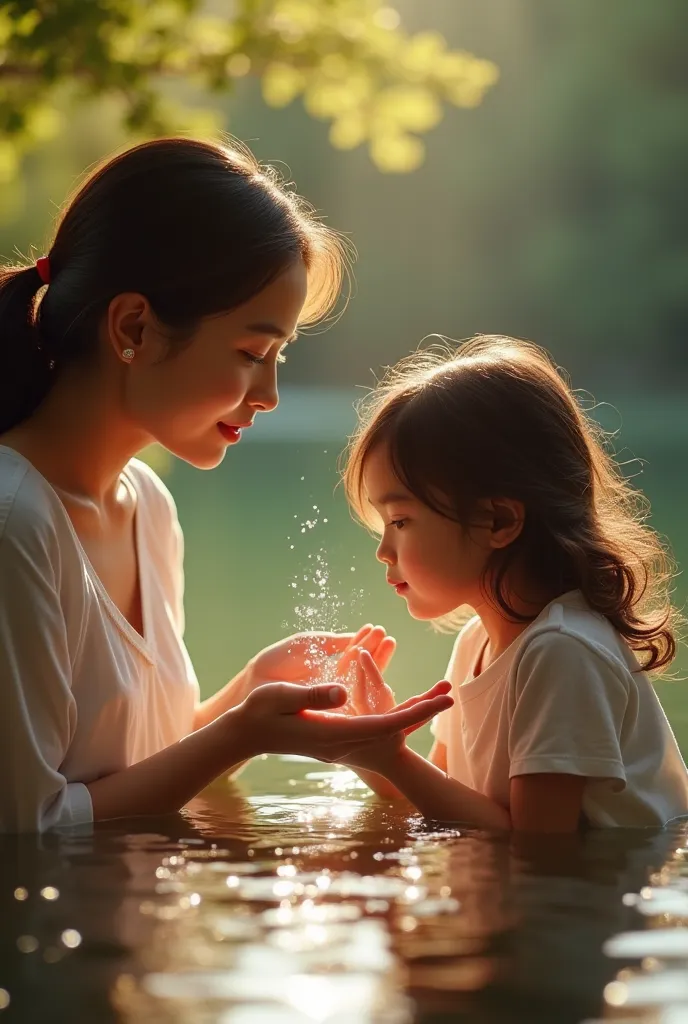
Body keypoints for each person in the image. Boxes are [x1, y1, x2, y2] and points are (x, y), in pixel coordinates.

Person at [0, 137, 452, 833]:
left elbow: (143, 763)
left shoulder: (148, 506)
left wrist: (252, 694)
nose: (268, 393)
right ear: (134, 328)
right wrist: (241, 734)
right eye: (251, 353)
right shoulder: (15, 522)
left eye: (277, 357)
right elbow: (26, 827)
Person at [338, 335, 688, 831]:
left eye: (399, 521)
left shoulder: (563, 651)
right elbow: (438, 800)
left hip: (597, 900)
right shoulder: (476, 642)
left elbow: (536, 846)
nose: (383, 551)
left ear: (497, 521)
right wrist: (369, 744)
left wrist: (391, 755)